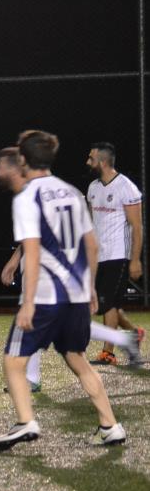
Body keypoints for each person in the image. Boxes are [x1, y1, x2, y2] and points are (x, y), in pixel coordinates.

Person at [0, 130, 125, 451]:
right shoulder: (73, 192)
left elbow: (32, 251)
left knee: (13, 361)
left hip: (46, 296)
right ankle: (110, 425)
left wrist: (28, 303)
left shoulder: (27, 197)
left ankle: (26, 421)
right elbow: (92, 246)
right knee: (77, 359)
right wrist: (90, 288)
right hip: (76, 295)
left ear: (23, 160)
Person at [86, 142, 145, 365]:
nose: (87, 162)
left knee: (107, 304)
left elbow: (137, 226)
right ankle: (133, 333)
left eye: (91, 158)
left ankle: (108, 353)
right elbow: (91, 223)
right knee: (104, 304)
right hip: (97, 257)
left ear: (102, 162)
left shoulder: (126, 187)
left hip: (118, 255)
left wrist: (135, 259)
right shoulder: (93, 188)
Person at [0, 147, 45, 392]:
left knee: (34, 320)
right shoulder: (30, 193)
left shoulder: (34, 193)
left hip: (45, 268)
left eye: (1, 166)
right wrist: (15, 260)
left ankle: (29, 379)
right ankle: (31, 377)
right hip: (40, 266)